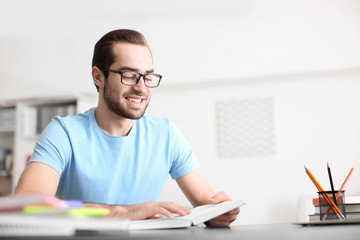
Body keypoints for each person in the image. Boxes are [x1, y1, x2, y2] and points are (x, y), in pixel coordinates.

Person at [15, 29, 240, 227]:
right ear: (98, 76)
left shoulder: (166, 134)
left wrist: (218, 213)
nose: (141, 88)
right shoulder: (64, 132)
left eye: (147, 76)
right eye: (129, 75)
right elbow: (27, 206)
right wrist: (124, 212)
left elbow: (206, 203)